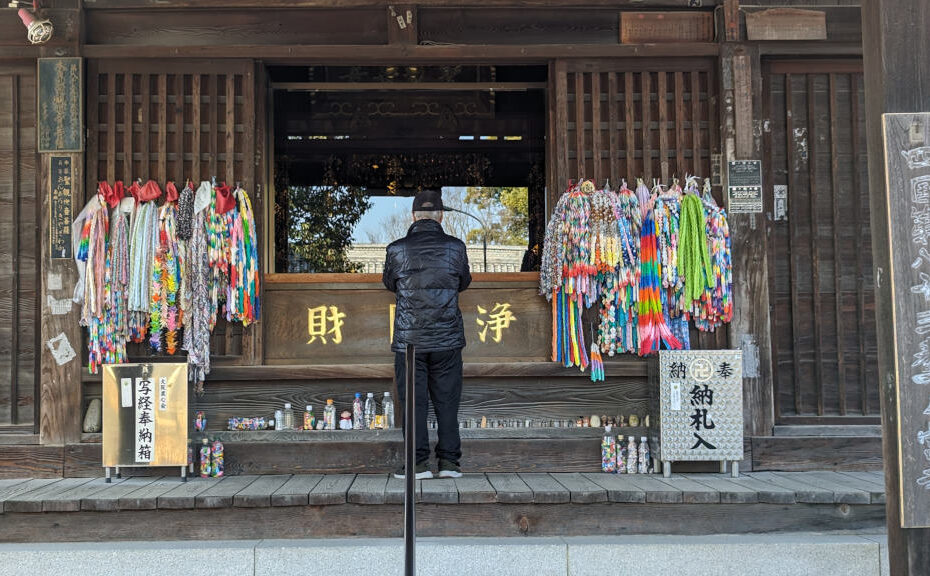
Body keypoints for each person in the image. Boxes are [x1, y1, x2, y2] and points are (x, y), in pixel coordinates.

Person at [382, 189, 471, 480]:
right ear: (441, 216)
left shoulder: (396, 249)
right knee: (447, 402)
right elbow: (464, 282)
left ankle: (418, 465)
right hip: (447, 339)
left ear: (413, 216)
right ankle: (449, 464)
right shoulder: (456, 247)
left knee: (413, 403)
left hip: (411, 341)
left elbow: (389, 283)